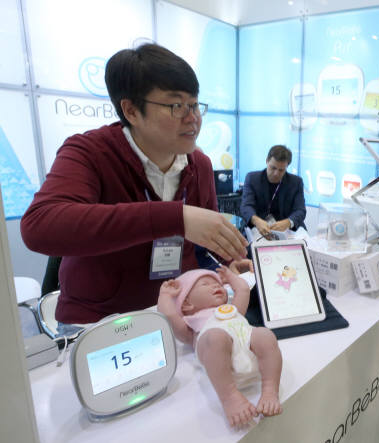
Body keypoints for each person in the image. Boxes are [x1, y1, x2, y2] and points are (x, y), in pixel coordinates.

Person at [20, 44, 248, 325]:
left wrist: (225, 266)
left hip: (179, 317)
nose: (193, 118)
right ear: (131, 110)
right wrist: (175, 217)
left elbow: (201, 249)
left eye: (194, 105)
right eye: (176, 106)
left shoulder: (198, 165)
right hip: (100, 324)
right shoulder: (89, 152)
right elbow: (40, 225)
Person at [157, 266, 282, 428]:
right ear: (186, 303)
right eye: (205, 284)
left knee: (264, 335)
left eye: (218, 284)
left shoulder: (233, 310)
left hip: (249, 349)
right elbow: (168, 314)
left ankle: (270, 390)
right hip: (220, 365)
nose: (216, 286)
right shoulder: (191, 326)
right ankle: (230, 398)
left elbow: (243, 290)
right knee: (215, 337)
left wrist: (230, 277)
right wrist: (165, 295)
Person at [240, 145, 306, 238]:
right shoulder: (252, 178)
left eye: (281, 170)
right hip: (259, 229)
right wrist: (256, 220)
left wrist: (288, 222)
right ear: (267, 161)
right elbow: (246, 206)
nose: (276, 173)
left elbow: (300, 210)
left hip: (288, 231)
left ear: (287, 166)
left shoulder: (296, 182)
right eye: (273, 168)